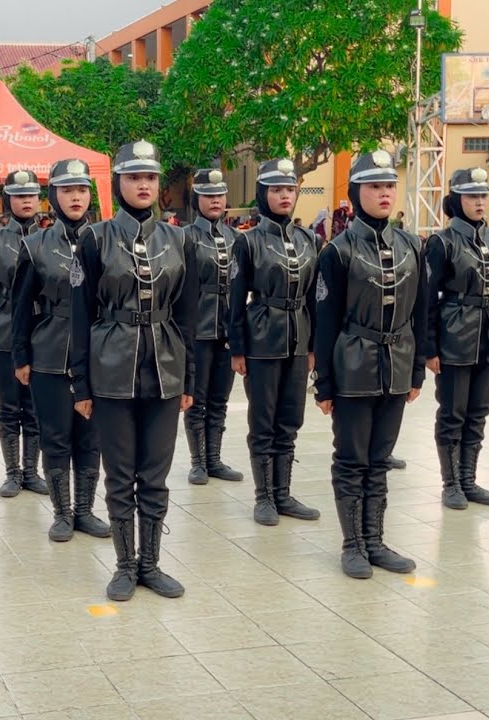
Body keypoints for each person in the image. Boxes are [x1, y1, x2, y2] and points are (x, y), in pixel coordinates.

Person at [70, 140, 196, 601]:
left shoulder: (180, 239)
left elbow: (188, 317)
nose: (143, 185)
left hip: (164, 368)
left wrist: (189, 381)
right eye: (133, 177)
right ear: (118, 183)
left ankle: (151, 564)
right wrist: (81, 383)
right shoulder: (95, 239)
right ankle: (124, 566)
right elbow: (81, 315)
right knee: (121, 474)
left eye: (150, 177)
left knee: (155, 475)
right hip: (111, 368)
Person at [313, 150, 426, 580]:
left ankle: (375, 540)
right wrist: (324, 383)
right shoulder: (338, 252)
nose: (384, 193)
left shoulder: (413, 245)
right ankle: (352, 544)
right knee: (352, 459)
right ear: (356, 193)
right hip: (353, 366)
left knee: (380, 459)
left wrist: (416, 370)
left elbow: (421, 314)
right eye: (375, 186)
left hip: (396, 365)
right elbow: (325, 322)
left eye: (389, 185)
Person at [12, 159, 110, 541]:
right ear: (53, 196)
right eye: (67, 190)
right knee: (55, 436)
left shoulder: (104, 240)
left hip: (97, 353)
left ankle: (85, 510)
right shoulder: (34, 245)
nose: (76, 197)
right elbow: (21, 306)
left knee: (91, 436)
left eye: (82, 189)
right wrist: (21, 355)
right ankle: (63, 513)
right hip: (50, 352)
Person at [229, 159, 322, 525]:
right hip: (262, 336)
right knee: (263, 420)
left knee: (290, 419)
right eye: (276, 190)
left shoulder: (309, 239)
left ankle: (283, 494)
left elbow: (315, 297)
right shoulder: (247, 242)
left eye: (290, 190)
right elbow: (235, 298)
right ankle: (264, 496)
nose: (284, 196)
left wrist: (313, 345)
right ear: (263, 195)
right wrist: (237, 348)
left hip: (298, 338)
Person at [423, 168, 489, 511]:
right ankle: (451, 483)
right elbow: (428, 298)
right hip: (454, 333)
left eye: (483, 195)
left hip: (488, 334)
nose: (479, 202)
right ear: (457, 200)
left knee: (478, 412)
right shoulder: (442, 243)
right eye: (472, 196)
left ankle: (470, 479)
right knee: (453, 412)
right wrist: (429, 347)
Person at [0, 171, 48, 498]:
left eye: (31, 194)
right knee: (8, 405)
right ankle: (13, 472)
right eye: (19, 195)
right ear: (8, 200)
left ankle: (32, 471)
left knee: (35, 406)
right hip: (3, 329)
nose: (26, 200)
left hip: (41, 331)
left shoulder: (50, 238)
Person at [182, 168, 244, 486]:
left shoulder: (236, 238)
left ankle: (214, 459)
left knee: (220, 398)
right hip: (198, 328)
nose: (216, 199)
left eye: (219, 194)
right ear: (198, 199)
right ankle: (197, 462)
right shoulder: (185, 237)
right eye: (208, 195)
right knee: (196, 397)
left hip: (227, 328)